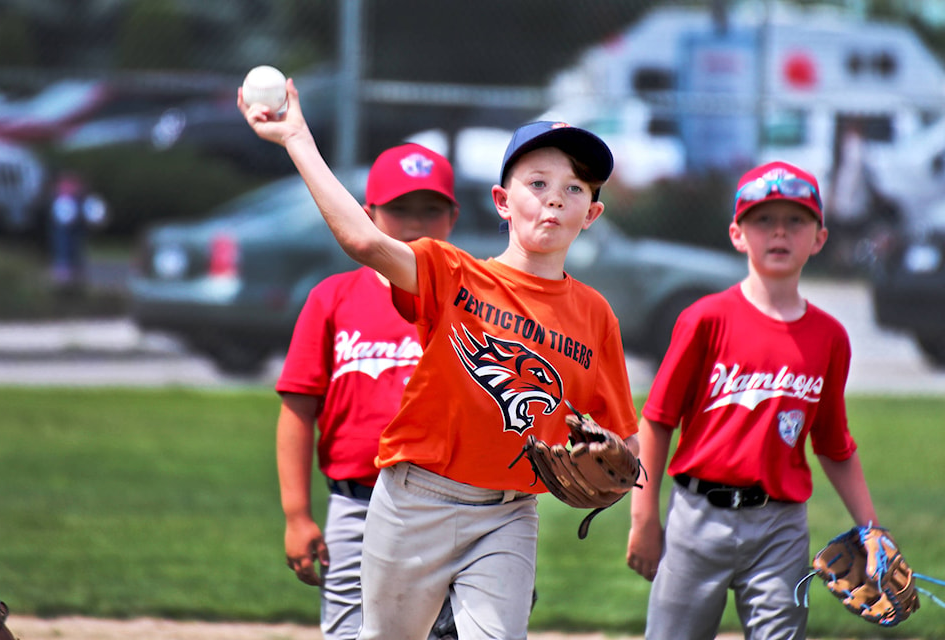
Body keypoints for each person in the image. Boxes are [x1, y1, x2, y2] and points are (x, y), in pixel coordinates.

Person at [241, 80, 640, 640]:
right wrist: (298, 139)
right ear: (502, 202)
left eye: (574, 188)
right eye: (538, 182)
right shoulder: (452, 273)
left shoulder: (595, 316)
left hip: (508, 513)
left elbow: (624, 434)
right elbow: (362, 241)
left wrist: (618, 466)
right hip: (414, 501)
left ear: (592, 213)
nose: (554, 198)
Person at [626, 160, 881, 639]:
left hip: (780, 527)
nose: (779, 232)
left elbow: (833, 444)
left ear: (819, 238)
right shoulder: (705, 319)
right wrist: (644, 519)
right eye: (763, 220)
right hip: (696, 518)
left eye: (796, 220)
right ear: (738, 234)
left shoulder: (829, 338)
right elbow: (657, 421)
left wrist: (871, 530)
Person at [275, 143, 461, 639]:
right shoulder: (333, 299)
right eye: (399, 208)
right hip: (356, 504)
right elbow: (298, 408)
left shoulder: (475, 299)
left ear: (453, 217)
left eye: (430, 209)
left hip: (454, 506)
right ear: (367, 214)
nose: (414, 222)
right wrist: (297, 515)